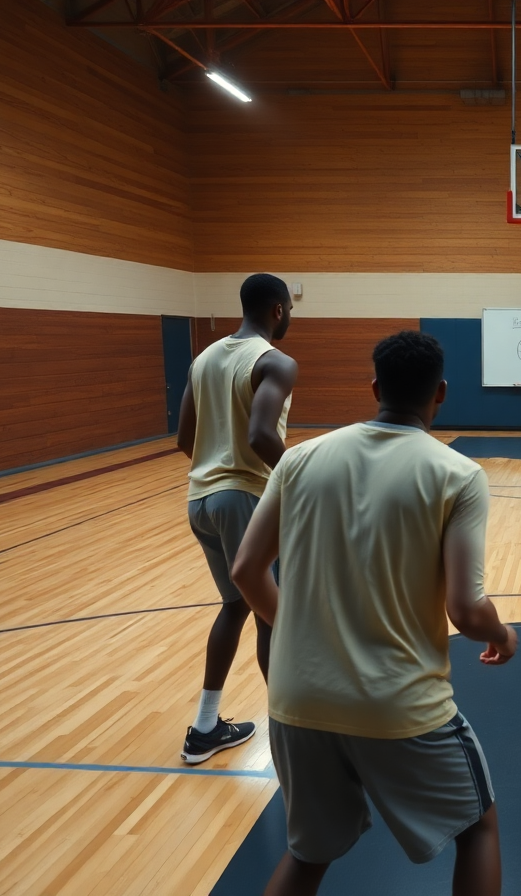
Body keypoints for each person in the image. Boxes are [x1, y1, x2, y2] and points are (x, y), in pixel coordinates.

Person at [232, 330, 517, 896]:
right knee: (478, 830)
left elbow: (245, 571)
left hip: (297, 700)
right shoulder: (457, 474)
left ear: (373, 387)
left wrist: (296, 634)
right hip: (398, 704)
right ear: (440, 393)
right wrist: (504, 635)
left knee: (308, 854)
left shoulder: (299, 460)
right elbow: (465, 608)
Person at [176, 273, 297, 764]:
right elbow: (261, 435)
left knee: (235, 606)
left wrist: (214, 471)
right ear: (278, 310)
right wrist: (301, 480)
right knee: (272, 615)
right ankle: (294, 734)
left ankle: (205, 727)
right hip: (244, 496)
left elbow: (184, 438)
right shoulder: (276, 362)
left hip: (200, 500)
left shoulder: (203, 358)